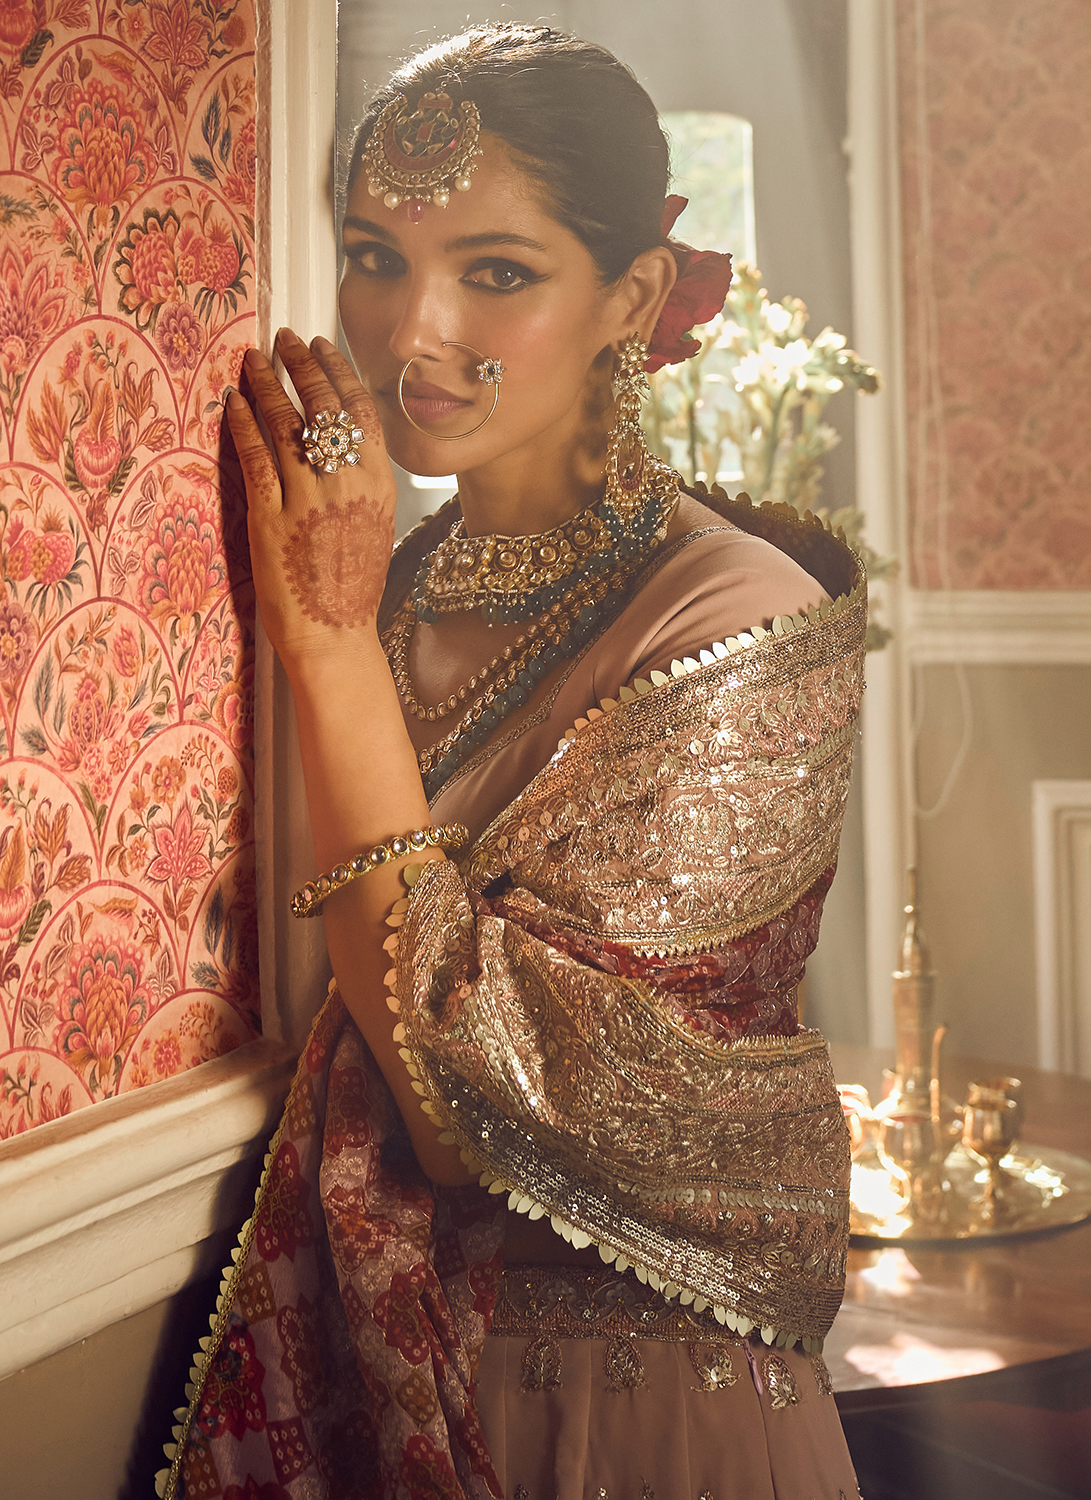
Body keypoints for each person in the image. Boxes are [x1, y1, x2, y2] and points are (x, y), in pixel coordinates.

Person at [159, 24, 865, 1500]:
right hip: (381, 1371)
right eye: (373, 255)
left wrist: (335, 654)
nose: (410, 331)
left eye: (495, 270)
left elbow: (465, 1111)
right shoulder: (384, 578)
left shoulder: (735, 618)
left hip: (632, 1409)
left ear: (631, 295)